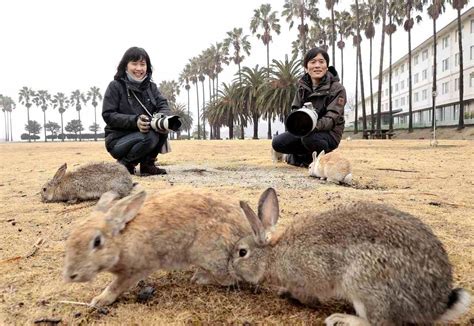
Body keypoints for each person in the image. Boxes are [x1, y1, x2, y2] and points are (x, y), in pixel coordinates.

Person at [272, 47, 346, 167]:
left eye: (321, 62)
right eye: (313, 62)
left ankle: (311, 158)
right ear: (306, 68)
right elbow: (295, 110)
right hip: (305, 131)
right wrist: (298, 125)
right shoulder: (302, 88)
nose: (317, 65)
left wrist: (311, 126)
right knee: (278, 143)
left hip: (329, 134)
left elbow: (332, 118)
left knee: (309, 139)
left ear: (327, 66)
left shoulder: (337, 89)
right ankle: (306, 157)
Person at [102, 46, 171, 175]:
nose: (139, 68)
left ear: (147, 67)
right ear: (125, 66)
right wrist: (135, 121)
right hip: (118, 140)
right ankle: (125, 164)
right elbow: (108, 115)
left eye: (142, 64)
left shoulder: (151, 87)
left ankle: (147, 165)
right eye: (134, 63)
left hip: (144, 135)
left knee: (162, 127)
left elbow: (163, 104)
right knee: (150, 136)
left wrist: (163, 117)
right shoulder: (115, 86)